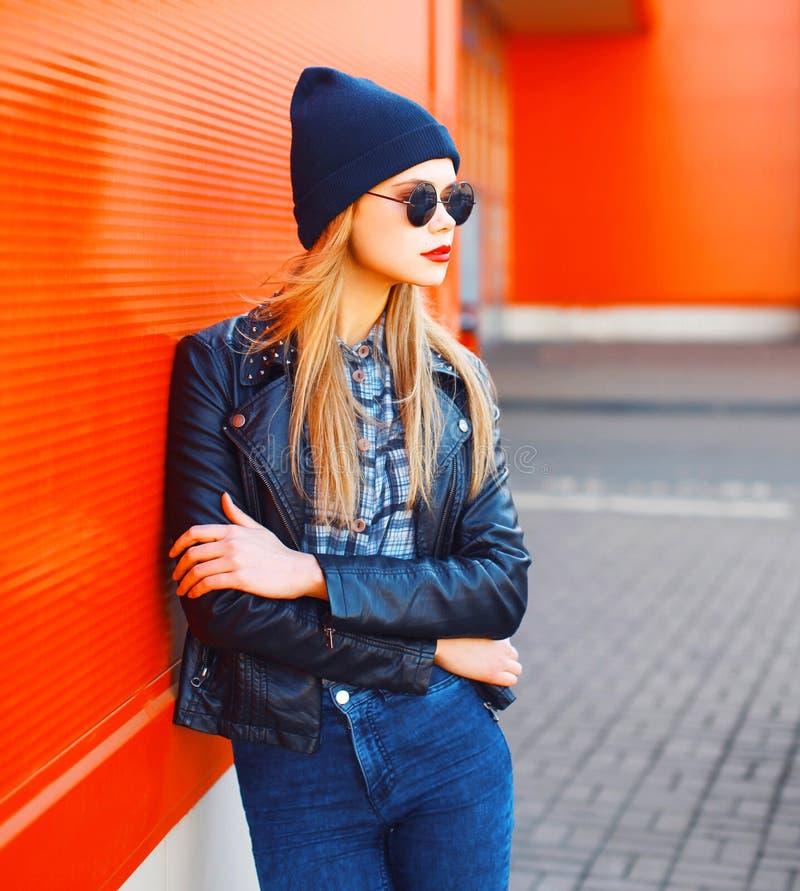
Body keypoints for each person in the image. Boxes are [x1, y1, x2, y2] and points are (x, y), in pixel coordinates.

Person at [165, 66, 531, 891]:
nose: (445, 224)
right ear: (341, 208)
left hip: (448, 747)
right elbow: (219, 606)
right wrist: (433, 648)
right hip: (299, 761)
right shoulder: (225, 367)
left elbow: (500, 586)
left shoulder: (455, 378)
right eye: (417, 200)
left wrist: (306, 573)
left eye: (455, 201)